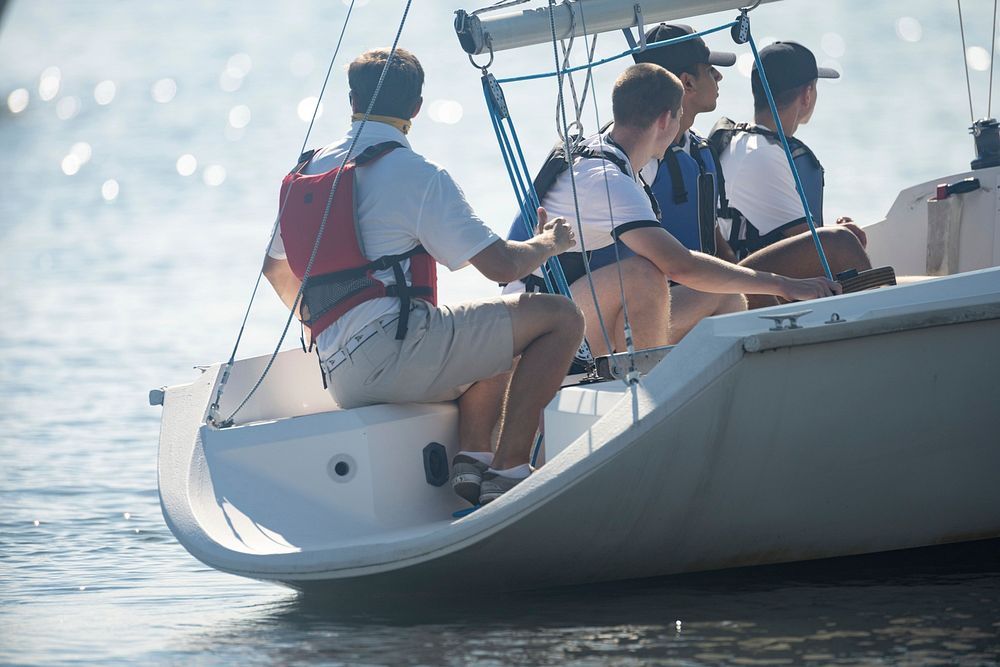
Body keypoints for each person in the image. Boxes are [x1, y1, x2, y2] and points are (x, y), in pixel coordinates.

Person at [262, 48, 584, 506]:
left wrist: (326, 322)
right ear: (416, 107)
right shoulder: (417, 173)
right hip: (396, 356)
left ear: (351, 99)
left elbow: (276, 270)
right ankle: (510, 470)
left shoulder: (308, 170)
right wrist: (551, 242)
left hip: (337, 373)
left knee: (490, 332)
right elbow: (503, 267)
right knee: (560, 317)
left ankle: (472, 460)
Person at [501, 63, 841, 373]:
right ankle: (649, 399)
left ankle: (710, 401)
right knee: (644, 276)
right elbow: (681, 265)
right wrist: (784, 284)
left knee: (726, 297)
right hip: (539, 331)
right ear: (666, 120)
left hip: (569, 313)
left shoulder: (616, 157)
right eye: (680, 116)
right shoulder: (607, 180)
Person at [637, 26, 871, 311]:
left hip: (706, 286)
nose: (719, 76)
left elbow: (714, 240)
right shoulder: (639, 160)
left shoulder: (695, 149)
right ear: (687, 83)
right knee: (838, 244)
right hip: (670, 300)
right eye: (710, 69)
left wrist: (746, 282)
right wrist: (764, 285)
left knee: (829, 249)